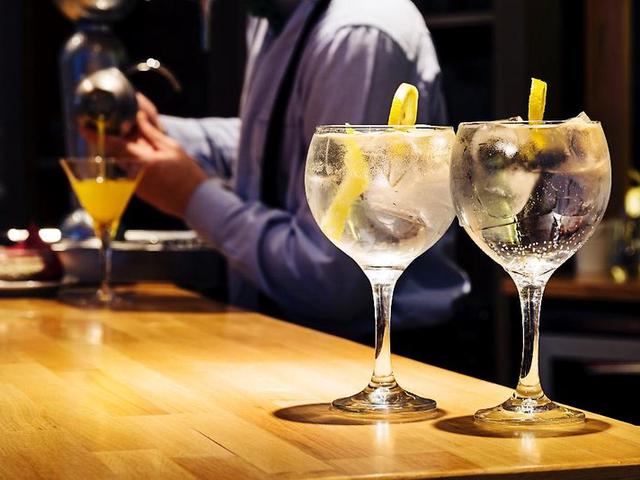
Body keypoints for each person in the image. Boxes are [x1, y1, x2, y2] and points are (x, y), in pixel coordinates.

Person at [103, 0, 469, 336]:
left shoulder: (357, 34)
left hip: (379, 348)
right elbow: (276, 146)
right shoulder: (273, 18)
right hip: (287, 342)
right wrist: (159, 134)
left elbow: (331, 281)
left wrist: (191, 197)